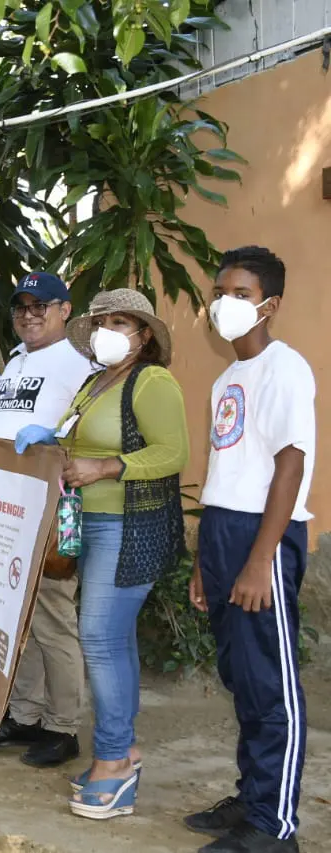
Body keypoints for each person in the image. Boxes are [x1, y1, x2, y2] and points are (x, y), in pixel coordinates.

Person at [185, 247, 314, 853]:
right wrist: (203, 563)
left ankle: (274, 827)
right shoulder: (225, 378)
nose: (224, 304)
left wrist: (262, 558)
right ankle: (254, 797)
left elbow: (290, 464)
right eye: (220, 291)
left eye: (240, 293)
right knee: (241, 677)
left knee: (271, 685)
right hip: (223, 531)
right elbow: (226, 468)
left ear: (270, 305)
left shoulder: (285, 368)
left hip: (264, 535)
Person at [50, 290, 188, 819]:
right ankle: (123, 750)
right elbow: (75, 439)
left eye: (121, 322)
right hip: (91, 520)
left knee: (99, 638)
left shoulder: (151, 381)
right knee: (115, 639)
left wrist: (104, 467)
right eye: (102, 321)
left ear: (144, 334)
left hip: (130, 524)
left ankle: (112, 761)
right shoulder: (95, 382)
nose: (108, 330)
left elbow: (173, 453)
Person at [0, 272, 94, 768]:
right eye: (21, 307)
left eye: (41, 305)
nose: (30, 315)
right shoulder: (15, 363)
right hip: (5, 511)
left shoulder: (79, 366)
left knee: (54, 621)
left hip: (51, 510)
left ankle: (63, 727)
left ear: (65, 309)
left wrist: (55, 440)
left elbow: (90, 432)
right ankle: (25, 715)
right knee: (21, 621)